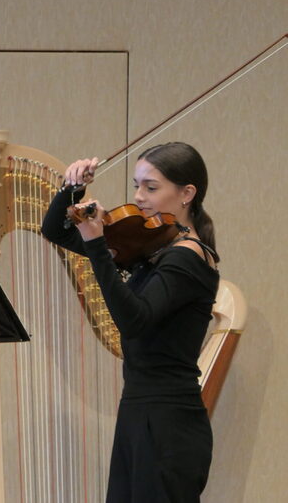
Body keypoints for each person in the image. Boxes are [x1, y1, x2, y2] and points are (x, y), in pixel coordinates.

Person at [41, 142, 220, 503]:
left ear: (187, 193)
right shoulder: (153, 248)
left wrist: (96, 243)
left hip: (167, 421)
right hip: (140, 413)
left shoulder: (188, 257)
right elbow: (55, 231)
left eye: (151, 188)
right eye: (137, 185)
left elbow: (134, 321)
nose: (139, 196)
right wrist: (71, 189)